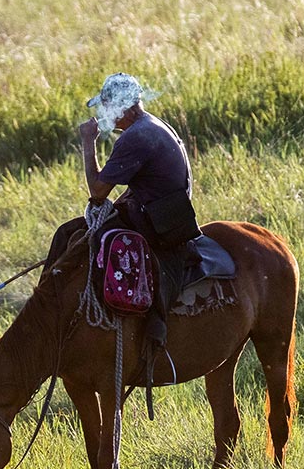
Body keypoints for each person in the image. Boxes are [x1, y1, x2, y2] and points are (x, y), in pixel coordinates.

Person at [46, 72, 201, 353]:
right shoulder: (154, 126)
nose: (103, 114)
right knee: (73, 233)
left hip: (159, 223)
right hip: (168, 216)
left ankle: (63, 314)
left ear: (122, 106)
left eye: (105, 106)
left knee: (77, 237)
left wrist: (87, 141)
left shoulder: (135, 137)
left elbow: (97, 190)